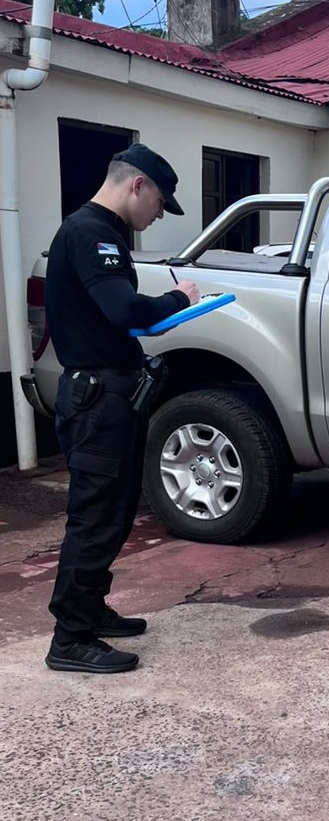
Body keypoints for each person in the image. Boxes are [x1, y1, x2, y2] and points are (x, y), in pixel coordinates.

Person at [44, 144, 199, 674]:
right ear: (137, 186)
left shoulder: (98, 233)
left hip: (109, 393)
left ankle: (89, 610)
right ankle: (70, 638)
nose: (159, 215)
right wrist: (180, 299)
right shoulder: (91, 234)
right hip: (96, 399)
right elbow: (124, 309)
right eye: (160, 202)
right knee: (95, 515)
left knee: (113, 510)